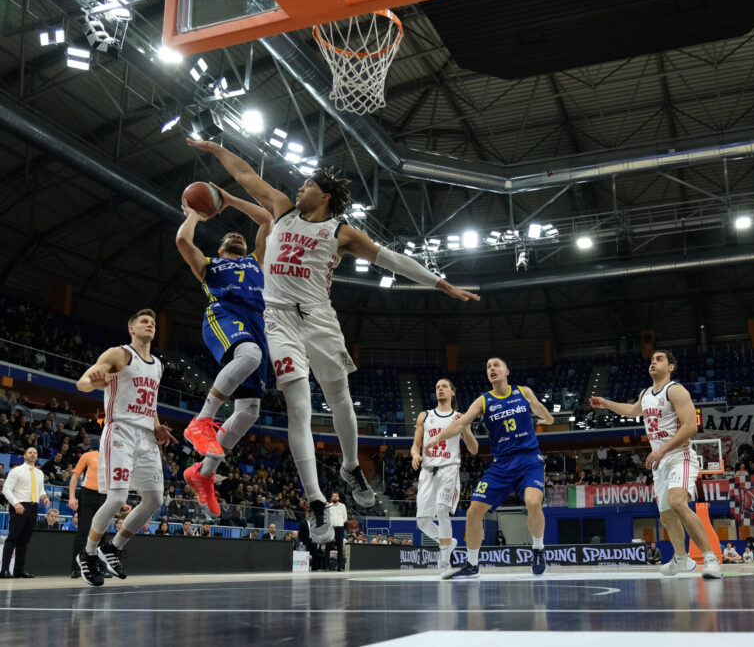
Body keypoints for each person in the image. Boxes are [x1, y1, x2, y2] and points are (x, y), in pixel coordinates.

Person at [187, 138, 480, 543]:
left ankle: (349, 466)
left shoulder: (339, 231)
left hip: (320, 320)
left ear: (324, 196)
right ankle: (316, 502)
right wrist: (215, 150)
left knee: (339, 397)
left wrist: (439, 283)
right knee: (298, 410)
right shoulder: (281, 210)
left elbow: (390, 258)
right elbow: (245, 175)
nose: (297, 190)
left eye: (306, 186)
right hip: (279, 322)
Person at [175, 188, 273, 518]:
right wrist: (193, 215)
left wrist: (229, 200)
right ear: (219, 247)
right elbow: (183, 243)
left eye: (240, 238)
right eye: (230, 237)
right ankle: (202, 420)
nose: (238, 237)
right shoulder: (210, 265)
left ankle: (202, 474)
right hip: (224, 315)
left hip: (256, 324)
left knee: (249, 411)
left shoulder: (256, 260)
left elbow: (266, 218)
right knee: (249, 357)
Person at [590, 350, 723, 580]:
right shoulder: (646, 393)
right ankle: (681, 559)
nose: (653, 361)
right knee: (666, 516)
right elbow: (632, 411)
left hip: (680, 456)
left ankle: (711, 558)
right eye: (652, 359)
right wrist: (605, 403)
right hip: (660, 463)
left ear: (671, 367)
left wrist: (661, 449)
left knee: (677, 502)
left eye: (659, 359)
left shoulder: (675, 390)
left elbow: (691, 426)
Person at [74, 309, 177, 586]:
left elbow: (150, 401)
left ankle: (113, 547)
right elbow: (82, 381)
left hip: (146, 436)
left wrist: (155, 424)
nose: (150, 325)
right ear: (132, 328)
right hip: (120, 430)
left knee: (155, 499)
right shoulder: (118, 354)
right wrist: (92, 384)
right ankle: (88, 553)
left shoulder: (158, 364)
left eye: (153, 322)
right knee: (118, 498)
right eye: (144, 321)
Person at [426, 357, 554, 579]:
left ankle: (538, 549)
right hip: (502, 464)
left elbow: (542, 412)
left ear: (507, 371)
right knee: (473, 512)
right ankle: (472, 565)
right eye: (488, 367)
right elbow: (460, 423)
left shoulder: (523, 392)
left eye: (496, 365)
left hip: (528, 460)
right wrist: (435, 439)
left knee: (533, 502)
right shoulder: (483, 401)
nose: (492, 369)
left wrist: (548, 418)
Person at [411, 378, 479, 574]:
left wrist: (465, 427)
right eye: (437, 387)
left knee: (442, 509)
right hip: (428, 470)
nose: (440, 389)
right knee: (422, 522)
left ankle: (444, 561)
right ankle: (449, 543)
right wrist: (416, 455)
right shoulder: (425, 416)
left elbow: (474, 449)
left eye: (444, 386)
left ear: (452, 392)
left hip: (449, 467)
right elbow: (416, 445)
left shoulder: (459, 417)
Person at [68, 449, 130, 578]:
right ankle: (77, 568)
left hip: (106, 495)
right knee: (84, 531)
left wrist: (123, 502)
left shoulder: (115, 458)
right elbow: (75, 476)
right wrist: (72, 497)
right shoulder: (88, 455)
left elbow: (118, 481)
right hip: (87, 494)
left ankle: (100, 568)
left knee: (101, 533)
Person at [1, 447, 50, 578]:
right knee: (12, 538)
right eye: (30, 452)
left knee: (24, 540)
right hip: (19, 506)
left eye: (35, 452)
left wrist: (44, 497)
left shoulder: (39, 473)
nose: (33, 454)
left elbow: (40, 490)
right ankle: (4, 570)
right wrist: (16, 503)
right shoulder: (16, 471)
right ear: (24, 455)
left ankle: (19, 570)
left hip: (33, 507)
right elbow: (6, 489)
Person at [326, 492, 348, 570]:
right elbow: (326, 517)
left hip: (340, 528)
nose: (335, 497)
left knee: (340, 548)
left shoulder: (342, 506)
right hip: (330, 528)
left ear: (338, 498)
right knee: (328, 547)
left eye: (336, 496)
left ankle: (339, 567)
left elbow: (345, 517)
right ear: (331, 498)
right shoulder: (328, 506)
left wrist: (340, 522)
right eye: (333, 496)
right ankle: (327, 566)